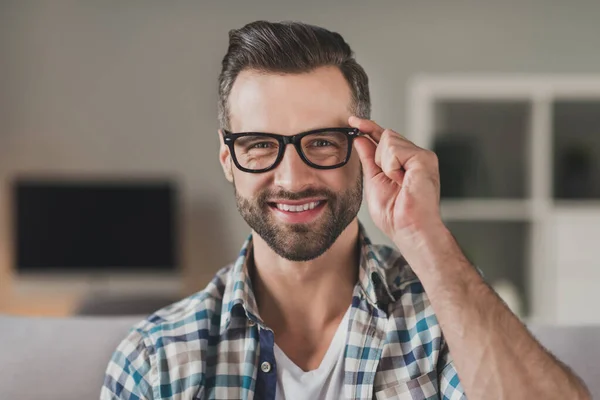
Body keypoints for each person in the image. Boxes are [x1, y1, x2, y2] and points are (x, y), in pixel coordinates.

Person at [101, 21, 590, 400]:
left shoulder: (442, 323)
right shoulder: (157, 359)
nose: (292, 179)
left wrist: (426, 237)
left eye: (322, 142)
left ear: (367, 148)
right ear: (229, 159)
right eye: (259, 145)